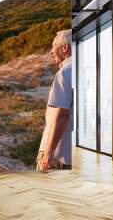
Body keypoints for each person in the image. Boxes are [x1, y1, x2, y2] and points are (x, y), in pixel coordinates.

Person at [36, 29, 73, 172]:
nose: (51, 52)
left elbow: (62, 115)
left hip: (59, 155)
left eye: (54, 46)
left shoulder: (65, 72)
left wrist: (48, 153)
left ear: (65, 48)